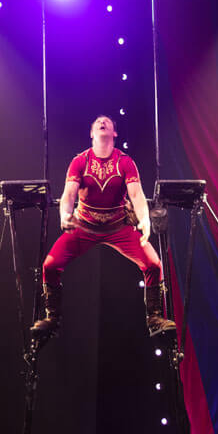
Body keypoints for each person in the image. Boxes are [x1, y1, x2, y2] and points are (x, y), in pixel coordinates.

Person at [31, 115, 175, 337]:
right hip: (83, 227)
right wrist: (64, 214)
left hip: (118, 227)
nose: (102, 122)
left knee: (154, 264)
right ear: (91, 133)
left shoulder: (125, 162)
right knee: (49, 266)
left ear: (114, 134)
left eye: (107, 122)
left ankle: (154, 318)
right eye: (98, 122)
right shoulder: (80, 161)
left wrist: (144, 221)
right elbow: (69, 194)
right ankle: (53, 318)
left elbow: (137, 195)